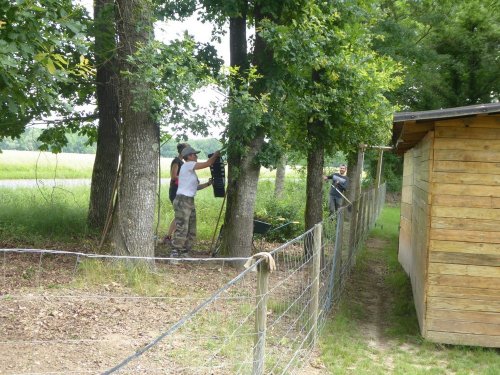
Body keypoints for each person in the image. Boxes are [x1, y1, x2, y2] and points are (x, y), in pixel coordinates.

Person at [171, 147, 220, 257]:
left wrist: (208, 184)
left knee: (191, 229)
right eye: (194, 155)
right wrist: (215, 155)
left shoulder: (190, 170)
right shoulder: (188, 165)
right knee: (182, 228)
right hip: (183, 200)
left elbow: (194, 187)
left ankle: (184, 252)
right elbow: (208, 163)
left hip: (189, 200)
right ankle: (175, 253)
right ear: (188, 157)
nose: (196, 156)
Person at [162, 143, 189, 244]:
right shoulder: (176, 161)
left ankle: (170, 237)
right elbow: (173, 176)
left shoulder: (182, 162)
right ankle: (170, 237)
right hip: (175, 191)